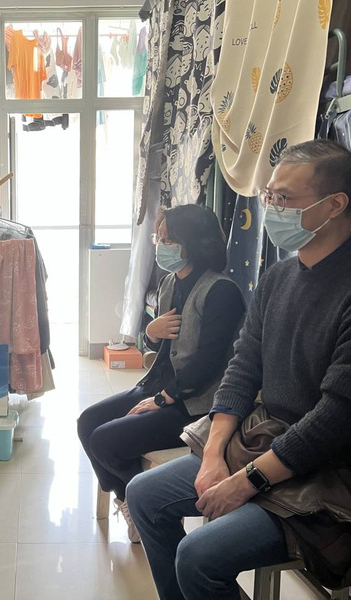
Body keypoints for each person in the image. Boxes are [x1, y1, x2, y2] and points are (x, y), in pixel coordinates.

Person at [126, 139, 351, 600]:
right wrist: (213, 453)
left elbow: (338, 418)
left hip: (330, 476)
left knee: (198, 556)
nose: (272, 209)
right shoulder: (278, 277)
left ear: (334, 205)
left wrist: (247, 481)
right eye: (269, 196)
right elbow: (242, 368)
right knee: (144, 494)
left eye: (284, 198)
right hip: (262, 441)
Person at [78, 204, 245, 542]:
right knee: (87, 422)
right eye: (159, 238)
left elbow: (209, 363)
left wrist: (163, 398)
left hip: (194, 404)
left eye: (169, 239)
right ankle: (130, 500)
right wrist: (150, 334)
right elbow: (160, 342)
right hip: (157, 385)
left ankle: (143, 506)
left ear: (193, 242)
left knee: (105, 440)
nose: (161, 245)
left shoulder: (221, 291)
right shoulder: (170, 282)